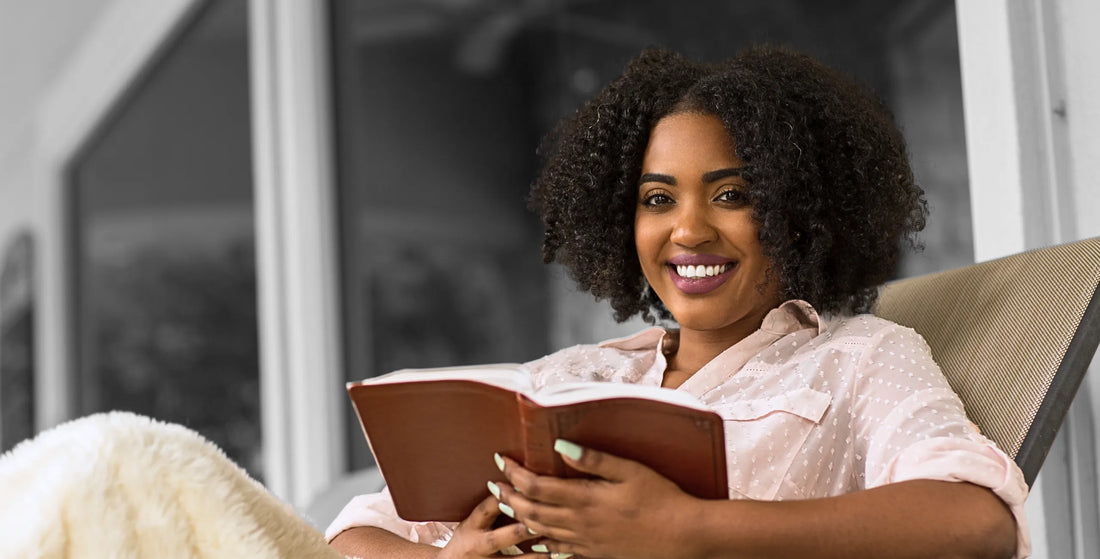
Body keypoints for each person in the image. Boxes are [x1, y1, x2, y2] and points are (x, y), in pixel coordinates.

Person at [326, 45, 1028, 558]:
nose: (688, 230)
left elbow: (976, 523)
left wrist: (687, 529)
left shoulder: (860, 357)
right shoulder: (570, 379)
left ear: (801, 211)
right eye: (657, 199)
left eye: (733, 195)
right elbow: (353, 535)